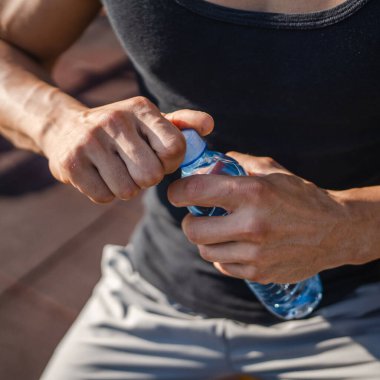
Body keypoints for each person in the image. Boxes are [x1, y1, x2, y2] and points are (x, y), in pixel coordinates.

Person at [1, 0, 379, 378]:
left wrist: (349, 224)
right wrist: (55, 121)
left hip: (361, 298)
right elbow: (11, 45)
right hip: (157, 289)